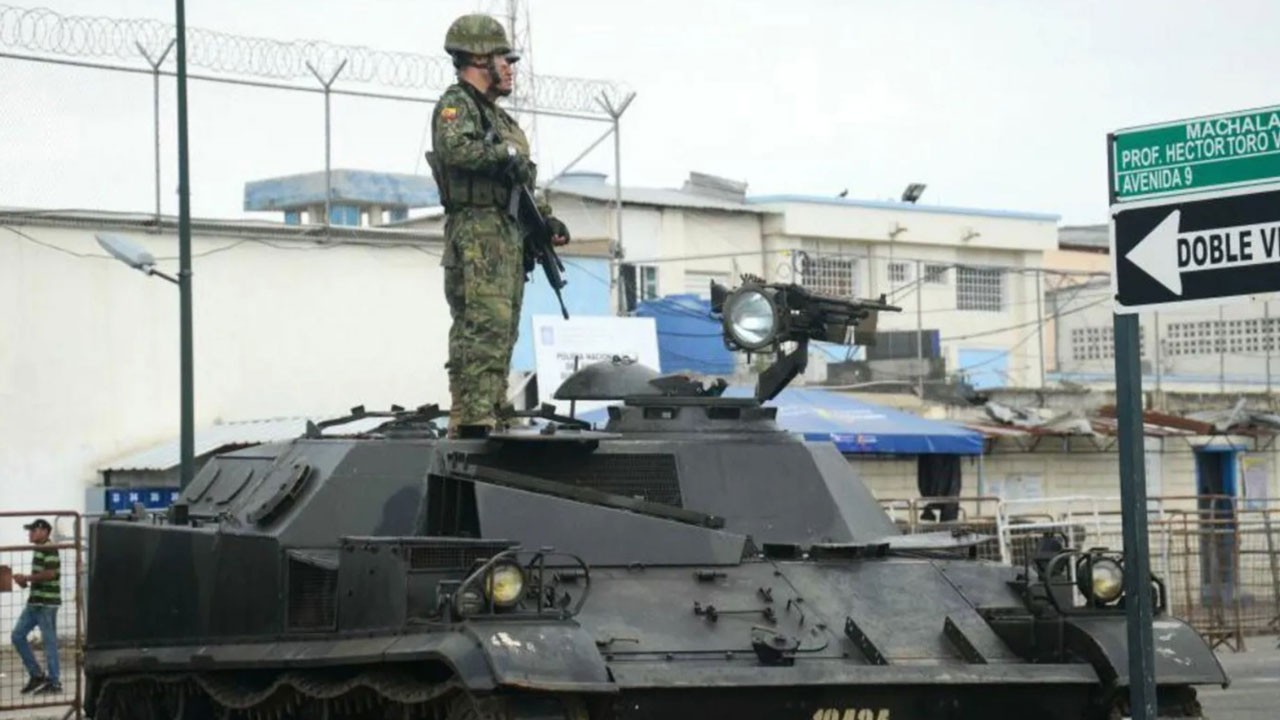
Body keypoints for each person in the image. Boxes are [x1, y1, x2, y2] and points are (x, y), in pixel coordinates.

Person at [427, 13, 570, 437]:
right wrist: (502, 156)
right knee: (481, 325)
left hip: (506, 233)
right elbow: (455, 149)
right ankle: (473, 416)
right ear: (477, 59)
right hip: (477, 231)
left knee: (503, 327)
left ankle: (490, 406)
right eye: (503, 59)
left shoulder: (502, 120)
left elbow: (523, 181)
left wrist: (545, 220)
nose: (510, 68)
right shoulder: (457, 105)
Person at [12, 518, 61, 695]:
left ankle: (54, 682)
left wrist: (27, 578)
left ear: (44, 531)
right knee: (17, 636)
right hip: (35, 602)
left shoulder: (49, 548)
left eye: (33, 530)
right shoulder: (39, 549)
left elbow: (50, 574)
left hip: (46, 603)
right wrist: (23, 582)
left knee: (49, 642)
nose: (30, 534)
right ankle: (37, 674)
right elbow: (41, 577)